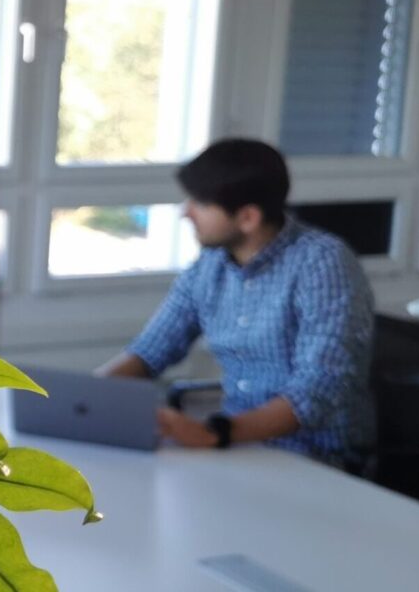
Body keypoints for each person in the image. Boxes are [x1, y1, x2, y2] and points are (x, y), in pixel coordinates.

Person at [95, 138, 374, 465]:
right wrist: (84, 396)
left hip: (315, 458)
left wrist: (215, 433)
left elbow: (318, 390)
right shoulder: (210, 265)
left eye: (200, 203)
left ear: (248, 218)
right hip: (239, 446)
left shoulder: (323, 263)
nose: (186, 212)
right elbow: (150, 351)